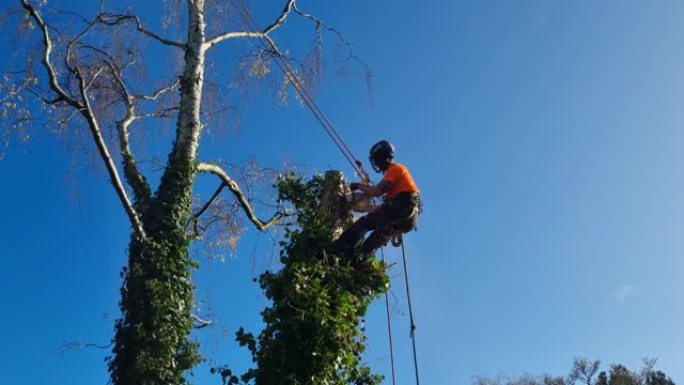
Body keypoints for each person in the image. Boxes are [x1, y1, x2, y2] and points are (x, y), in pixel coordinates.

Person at [328, 140, 421, 256]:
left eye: (376, 160)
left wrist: (358, 186)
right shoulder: (396, 189)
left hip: (403, 208)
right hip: (409, 218)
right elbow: (384, 209)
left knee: (364, 223)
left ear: (383, 158)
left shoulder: (395, 169)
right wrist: (368, 207)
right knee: (371, 243)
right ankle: (356, 264)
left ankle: (338, 248)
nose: (376, 164)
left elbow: (377, 191)